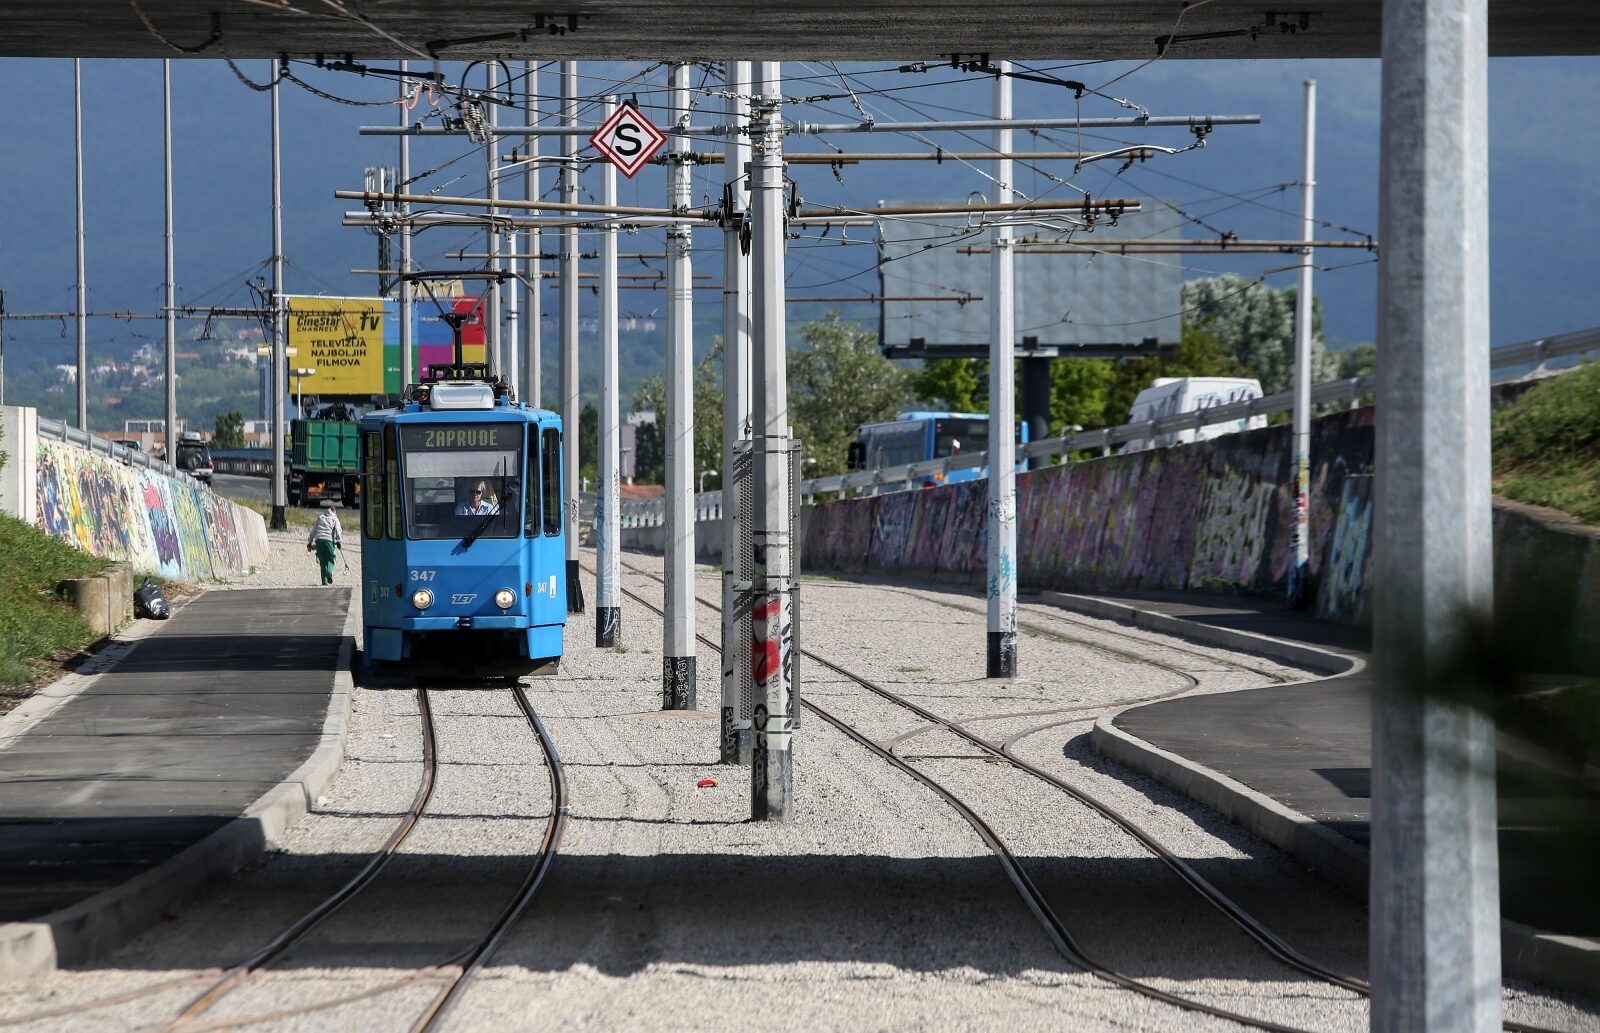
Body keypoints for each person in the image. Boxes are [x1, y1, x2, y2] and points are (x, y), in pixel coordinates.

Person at [306, 506, 343, 586]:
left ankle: (324, 582)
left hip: (318, 540)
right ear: (335, 512)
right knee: (331, 559)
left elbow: (313, 530)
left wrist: (309, 542)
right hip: (329, 540)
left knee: (322, 562)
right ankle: (329, 573)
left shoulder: (320, 517)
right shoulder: (334, 518)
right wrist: (339, 541)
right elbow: (338, 530)